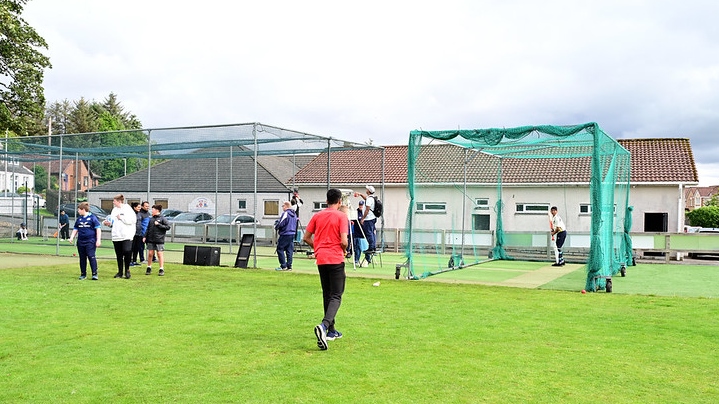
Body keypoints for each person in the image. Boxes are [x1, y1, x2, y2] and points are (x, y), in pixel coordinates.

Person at [303, 188, 349, 350]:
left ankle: (331, 331)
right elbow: (344, 240)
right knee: (336, 295)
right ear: (339, 201)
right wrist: (345, 249)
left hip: (321, 259)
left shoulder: (317, 216)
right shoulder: (341, 216)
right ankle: (323, 326)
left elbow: (306, 237)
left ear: (326, 200)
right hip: (335, 258)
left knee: (327, 294)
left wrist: (318, 248)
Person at [103, 194, 137, 279]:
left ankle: (127, 270)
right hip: (116, 235)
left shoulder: (127, 208)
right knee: (119, 255)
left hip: (126, 235)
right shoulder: (114, 210)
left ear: (119, 201)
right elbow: (113, 222)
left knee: (127, 251)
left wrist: (121, 218)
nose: (113, 202)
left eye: (114, 201)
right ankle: (120, 272)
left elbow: (132, 220)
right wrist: (108, 224)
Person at [68, 202, 102, 280]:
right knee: (82, 258)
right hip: (80, 241)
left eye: (79, 210)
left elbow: (98, 229)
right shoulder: (79, 219)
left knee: (91, 256)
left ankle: (94, 274)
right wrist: (71, 237)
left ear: (83, 209)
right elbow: (75, 229)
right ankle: (83, 274)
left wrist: (98, 240)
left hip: (90, 241)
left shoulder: (93, 218)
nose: (78, 211)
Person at [144, 204, 171, 276]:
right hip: (151, 239)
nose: (151, 211)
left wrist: (159, 225)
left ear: (157, 210)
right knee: (150, 254)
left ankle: (161, 268)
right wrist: (145, 236)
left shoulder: (163, 218)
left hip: (159, 239)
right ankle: (149, 267)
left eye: (152, 210)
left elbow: (168, 227)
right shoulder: (151, 219)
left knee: (159, 254)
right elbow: (148, 228)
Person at [356, 185, 378, 263]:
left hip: (369, 219)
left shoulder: (369, 200)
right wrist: (361, 194)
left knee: (369, 233)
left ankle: (371, 247)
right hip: (373, 218)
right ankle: (373, 246)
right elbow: (366, 198)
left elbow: (367, 210)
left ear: (369, 191)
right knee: (371, 233)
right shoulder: (371, 198)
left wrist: (363, 218)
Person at [275, 201, 298, 271]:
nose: (282, 207)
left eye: (283, 206)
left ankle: (283, 266)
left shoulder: (286, 213)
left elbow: (281, 223)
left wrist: (276, 227)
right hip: (292, 233)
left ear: (286, 206)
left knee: (280, 249)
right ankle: (289, 266)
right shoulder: (294, 215)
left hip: (285, 233)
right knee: (289, 250)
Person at [131, 201, 150, 266]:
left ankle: (134, 260)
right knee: (132, 247)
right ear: (134, 207)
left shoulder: (139, 214)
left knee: (137, 247)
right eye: (138, 207)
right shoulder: (131, 214)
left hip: (139, 233)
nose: (139, 208)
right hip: (133, 233)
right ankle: (129, 260)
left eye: (140, 207)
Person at [352, 201, 368, 267]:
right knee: (357, 247)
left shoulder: (366, 212)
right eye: (360, 205)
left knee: (367, 247)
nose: (361, 206)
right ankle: (356, 260)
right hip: (358, 233)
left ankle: (367, 260)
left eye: (362, 205)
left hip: (365, 233)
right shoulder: (356, 212)